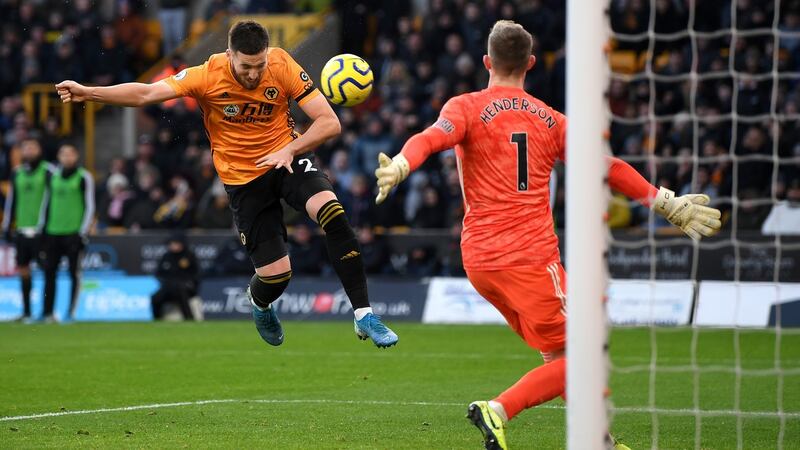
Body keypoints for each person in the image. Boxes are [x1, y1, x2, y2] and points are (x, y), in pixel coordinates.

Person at [374, 21, 723, 450]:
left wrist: (402, 166)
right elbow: (607, 166)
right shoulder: (552, 120)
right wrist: (663, 201)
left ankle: (600, 441)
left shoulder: (463, 106)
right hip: (529, 257)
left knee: (559, 354)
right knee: (587, 352)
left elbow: (430, 140)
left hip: (479, 260)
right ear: (531, 64)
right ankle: (497, 409)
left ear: (487, 62)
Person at [55, 20, 397, 348]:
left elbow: (329, 122)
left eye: (259, 65)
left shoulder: (281, 64)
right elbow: (146, 94)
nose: (254, 73)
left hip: (287, 160)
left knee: (333, 213)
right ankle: (260, 304)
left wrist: (290, 148)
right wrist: (90, 92)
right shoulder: (206, 75)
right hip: (242, 181)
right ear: (230, 54)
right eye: (247, 66)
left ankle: (363, 313)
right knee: (277, 277)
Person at [40, 144, 95, 322]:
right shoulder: (52, 176)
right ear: (59, 156)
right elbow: (45, 203)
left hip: (73, 233)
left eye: (71, 154)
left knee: (74, 273)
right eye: (63, 154)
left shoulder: (84, 177)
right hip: (52, 231)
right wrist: (43, 226)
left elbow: (90, 205)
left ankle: (70, 313)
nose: (67, 157)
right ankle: (47, 313)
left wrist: (82, 231)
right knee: (49, 273)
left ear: (76, 156)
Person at [1, 139, 53, 322]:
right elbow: (11, 202)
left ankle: (47, 312)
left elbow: (52, 201)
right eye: (26, 148)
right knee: (23, 270)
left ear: (39, 149)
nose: (29, 150)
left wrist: (46, 226)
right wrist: (7, 226)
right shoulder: (17, 173)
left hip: (42, 231)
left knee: (47, 271)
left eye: (33, 147)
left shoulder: (48, 171)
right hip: (22, 229)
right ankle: (27, 312)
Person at [151, 233, 198, 320]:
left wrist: (190, 283)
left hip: (185, 287)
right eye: (171, 243)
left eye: (175, 243)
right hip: (169, 286)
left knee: (181, 291)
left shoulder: (189, 255)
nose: (172, 246)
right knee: (155, 297)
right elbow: (159, 273)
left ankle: (189, 318)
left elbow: (196, 273)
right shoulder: (167, 256)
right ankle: (157, 320)